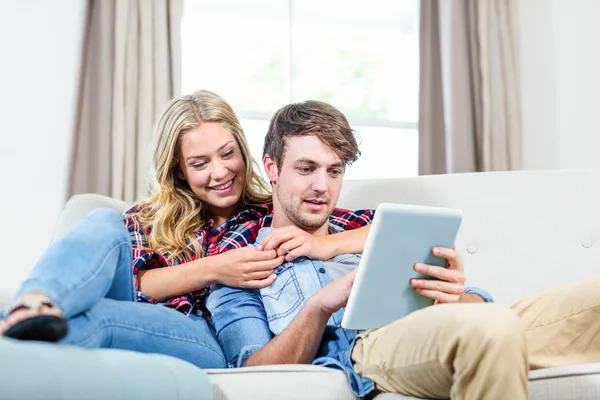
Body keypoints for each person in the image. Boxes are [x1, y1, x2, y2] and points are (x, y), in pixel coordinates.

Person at [207, 100, 600, 399]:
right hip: (371, 346)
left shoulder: (370, 231)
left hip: (451, 325)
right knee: (491, 328)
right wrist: (319, 305)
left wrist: (450, 294)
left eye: (335, 171)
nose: (322, 187)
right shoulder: (239, 263)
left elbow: (471, 309)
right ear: (272, 168)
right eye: (306, 169)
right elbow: (250, 370)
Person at [0, 90, 369, 369]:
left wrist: (327, 246)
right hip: (139, 304)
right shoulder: (149, 220)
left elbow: (370, 226)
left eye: (227, 154)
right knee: (100, 220)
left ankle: (15, 339)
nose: (220, 172)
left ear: (247, 153)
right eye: (199, 163)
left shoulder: (273, 209)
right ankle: (33, 303)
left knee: (96, 319)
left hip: (195, 331)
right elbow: (136, 283)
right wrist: (215, 268)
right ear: (179, 170)